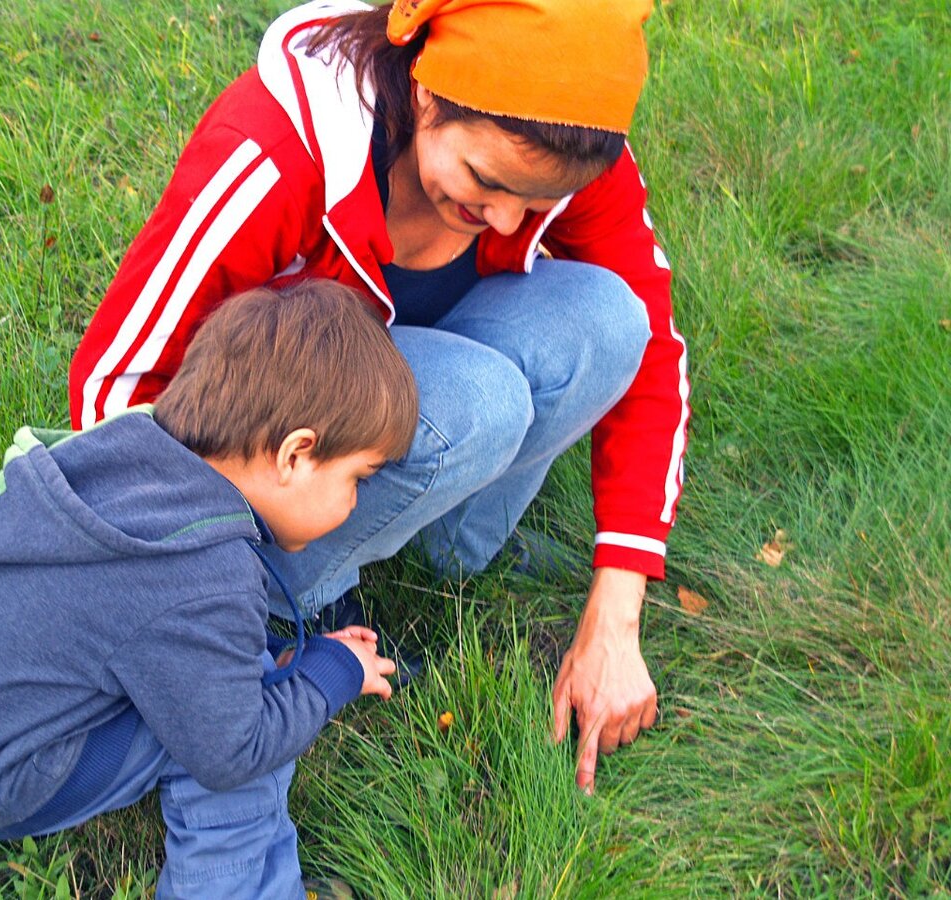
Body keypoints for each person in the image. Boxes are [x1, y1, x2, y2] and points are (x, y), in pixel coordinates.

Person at [69, 0, 690, 794]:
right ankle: (285, 603)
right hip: (253, 472)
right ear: (429, 95)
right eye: (485, 181)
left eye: (533, 207)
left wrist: (618, 605)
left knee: (610, 321)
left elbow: (654, 352)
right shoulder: (277, 147)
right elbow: (116, 381)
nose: (503, 218)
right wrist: (172, 579)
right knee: (478, 401)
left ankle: (443, 561)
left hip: (379, 408)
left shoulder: (556, 145)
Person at [0, 282, 417, 899]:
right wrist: (329, 673)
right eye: (358, 479)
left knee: (215, 674)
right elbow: (234, 749)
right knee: (248, 711)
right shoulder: (206, 577)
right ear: (295, 454)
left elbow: (142, 611)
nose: (354, 502)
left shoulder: (129, 444)